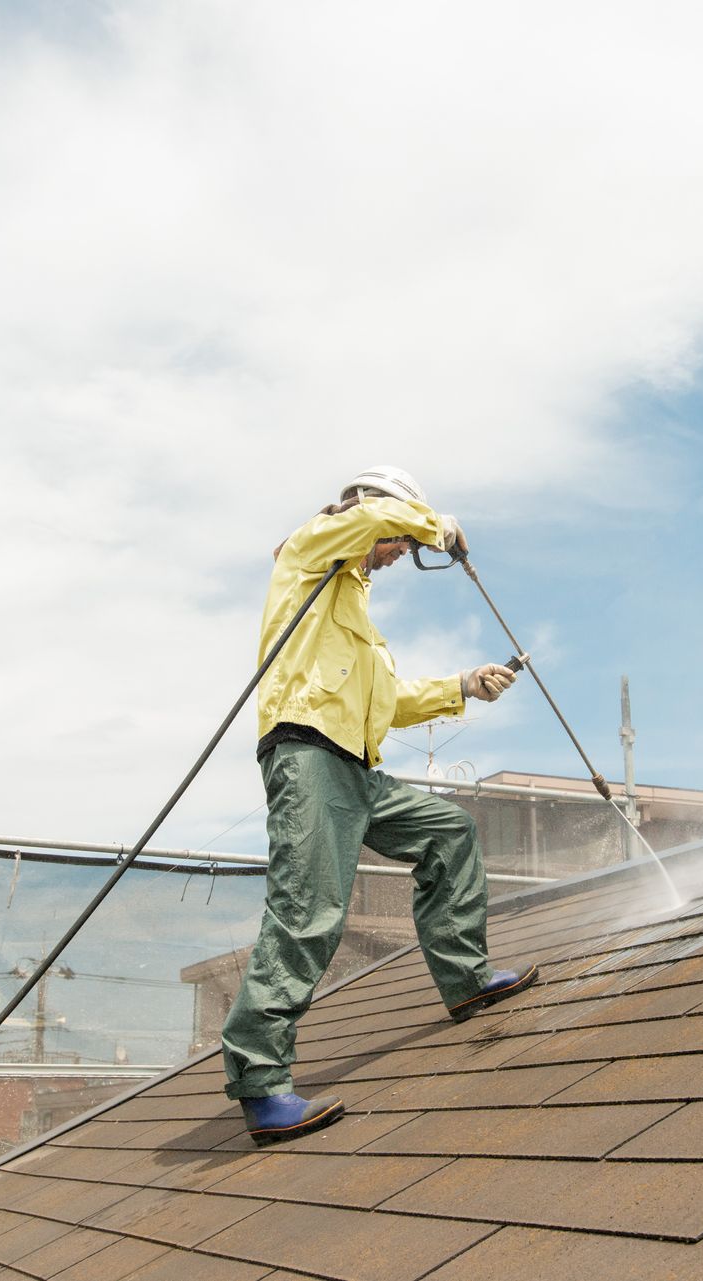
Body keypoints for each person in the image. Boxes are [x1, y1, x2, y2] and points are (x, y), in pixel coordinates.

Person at [221, 465, 538, 1146]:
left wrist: (465, 685)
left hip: (357, 770)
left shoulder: (355, 611)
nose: (399, 554)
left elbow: (388, 700)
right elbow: (363, 525)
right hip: (308, 756)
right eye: (400, 540)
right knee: (310, 910)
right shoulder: (309, 550)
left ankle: (467, 979)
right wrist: (436, 522)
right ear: (376, 510)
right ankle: (260, 1082)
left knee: (447, 830)